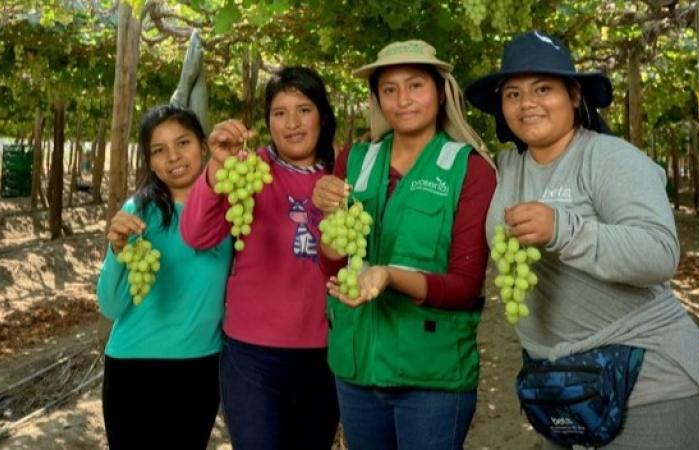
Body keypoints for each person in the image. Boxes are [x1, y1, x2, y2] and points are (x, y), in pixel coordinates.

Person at [465, 30, 699, 449]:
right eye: (513, 94)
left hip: (650, 390)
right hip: (563, 389)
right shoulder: (503, 169)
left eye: (543, 89)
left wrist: (564, 230)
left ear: (574, 95)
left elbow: (659, 254)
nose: (527, 103)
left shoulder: (610, 158)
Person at [311, 40, 497, 450]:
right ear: (377, 98)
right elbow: (333, 267)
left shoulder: (470, 169)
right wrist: (328, 219)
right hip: (356, 369)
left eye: (416, 85)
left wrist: (388, 276)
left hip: (432, 376)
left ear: (440, 91)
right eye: (389, 89)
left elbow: (465, 286)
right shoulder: (355, 159)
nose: (403, 100)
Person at [180, 66, 339, 450]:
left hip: (328, 354)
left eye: (303, 109)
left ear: (322, 114)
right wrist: (217, 167)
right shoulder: (251, 171)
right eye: (279, 113)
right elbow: (197, 234)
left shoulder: (343, 177)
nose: (292, 123)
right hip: (252, 356)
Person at [97, 105, 230, 450]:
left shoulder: (234, 209)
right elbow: (110, 306)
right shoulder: (137, 213)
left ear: (203, 146)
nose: (173, 156)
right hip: (133, 369)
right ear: (150, 162)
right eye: (159, 150)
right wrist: (115, 251)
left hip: (200, 370)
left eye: (182, 142)